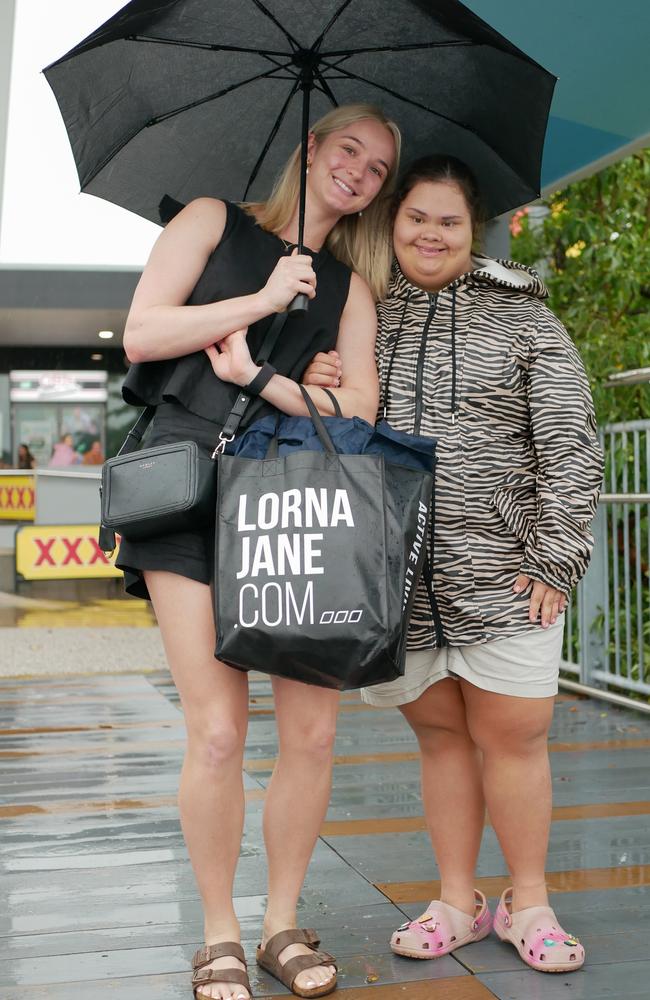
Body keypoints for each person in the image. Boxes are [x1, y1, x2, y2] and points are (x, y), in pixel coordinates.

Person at [118, 104, 400, 1000]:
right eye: (348, 149)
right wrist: (264, 301)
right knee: (216, 731)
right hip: (189, 494)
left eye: (380, 169)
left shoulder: (353, 288)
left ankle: (282, 923)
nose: (360, 171)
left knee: (313, 735)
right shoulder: (208, 220)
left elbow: (360, 410)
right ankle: (219, 933)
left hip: (297, 505)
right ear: (312, 146)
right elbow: (144, 335)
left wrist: (268, 376)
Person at [304, 155, 603, 975]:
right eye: (416, 218)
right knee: (439, 738)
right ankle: (457, 899)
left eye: (449, 222)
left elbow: (573, 444)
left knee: (515, 736)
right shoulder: (362, 314)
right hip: (400, 578)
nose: (430, 234)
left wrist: (555, 555)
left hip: (504, 570)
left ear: (473, 232)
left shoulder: (525, 319)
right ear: (392, 223)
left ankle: (529, 903)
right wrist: (317, 375)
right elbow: (340, 426)